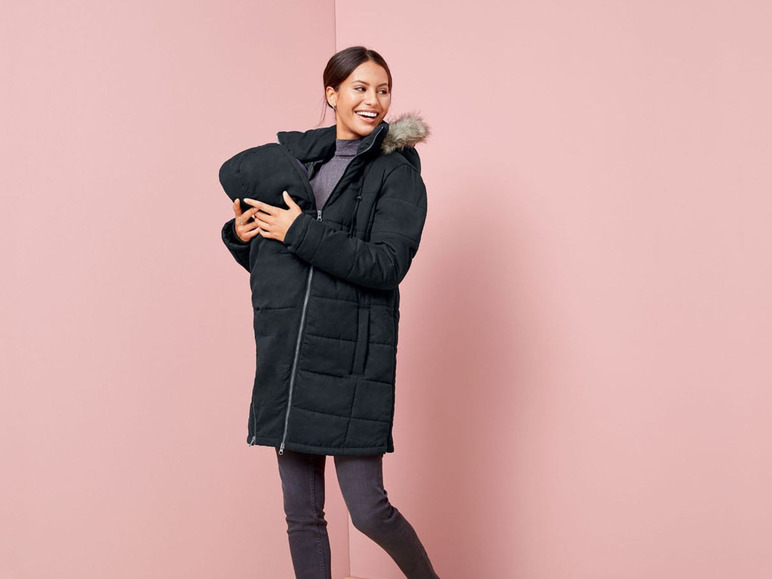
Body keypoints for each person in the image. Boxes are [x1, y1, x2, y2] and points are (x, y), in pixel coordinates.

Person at [219, 46, 439, 578]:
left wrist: (298, 230)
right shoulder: (300, 162)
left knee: (369, 511)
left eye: (382, 90)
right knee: (302, 517)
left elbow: (386, 265)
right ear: (332, 93)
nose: (373, 100)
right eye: (360, 88)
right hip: (290, 358)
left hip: (351, 362)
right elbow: (290, 266)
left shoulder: (397, 173)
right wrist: (243, 236)